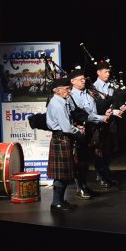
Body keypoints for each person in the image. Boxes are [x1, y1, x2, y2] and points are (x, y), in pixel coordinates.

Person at [69, 65, 111, 195]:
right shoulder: (71, 96)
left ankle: (85, 185)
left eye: (84, 79)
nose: (83, 81)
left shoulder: (88, 93)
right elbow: (84, 115)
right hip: (81, 131)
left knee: (89, 160)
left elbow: (93, 109)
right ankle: (79, 188)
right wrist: (101, 118)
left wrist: (107, 111)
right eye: (80, 79)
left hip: (93, 129)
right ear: (73, 81)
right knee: (80, 161)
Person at [46, 77, 82, 212]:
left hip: (61, 139)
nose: (69, 91)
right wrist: (78, 131)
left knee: (64, 174)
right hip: (61, 139)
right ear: (58, 90)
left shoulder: (60, 101)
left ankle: (59, 201)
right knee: (62, 174)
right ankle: (56, 203)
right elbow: (66, 128)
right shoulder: (58, 104)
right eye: (67, 89)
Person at [92, 58, 126, 181]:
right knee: (99, 150)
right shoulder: (93, 87)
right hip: (100, 123)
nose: (108, 74)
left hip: (111, 122)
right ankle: (100, 175)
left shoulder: (111, 86)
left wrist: (121, 106)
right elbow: (96, 107)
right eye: (105, 71)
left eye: (109, 71)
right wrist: (113, 111)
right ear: (98, 72)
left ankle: (105, 172)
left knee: (109, 150)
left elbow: (115, 101)